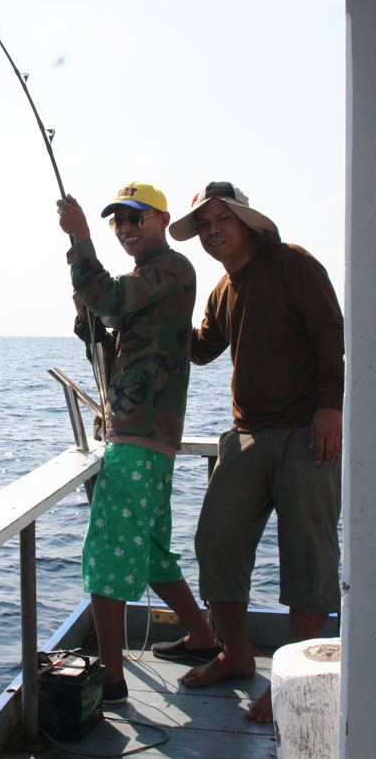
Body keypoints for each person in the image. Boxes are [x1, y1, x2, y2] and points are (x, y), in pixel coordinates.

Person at [151, 181, 343, 724]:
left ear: (246, 221)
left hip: (308, 431)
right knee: (216, 539)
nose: (212, 233)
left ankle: (293, 680)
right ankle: (236, 656)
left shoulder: (293, 264)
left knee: (307, 555)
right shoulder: (222, 289)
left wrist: (330, 407)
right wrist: (157, 318)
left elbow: (331, 331)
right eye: (204, 227)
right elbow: (203, 349)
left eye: (220, 222)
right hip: (247, 435)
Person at [56, 182, 219, 705]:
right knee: (149, 554)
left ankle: (110, 677)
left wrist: (81, 242)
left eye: (136, 218)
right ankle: (202, 635)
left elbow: (113, 298)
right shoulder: (140, 280)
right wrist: (87, 315)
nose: (126, 228)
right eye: (116, 222)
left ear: (162, 220)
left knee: (106, 554)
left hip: (140, 437)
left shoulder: (173, 269)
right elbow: (105, 342)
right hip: (139, 433)